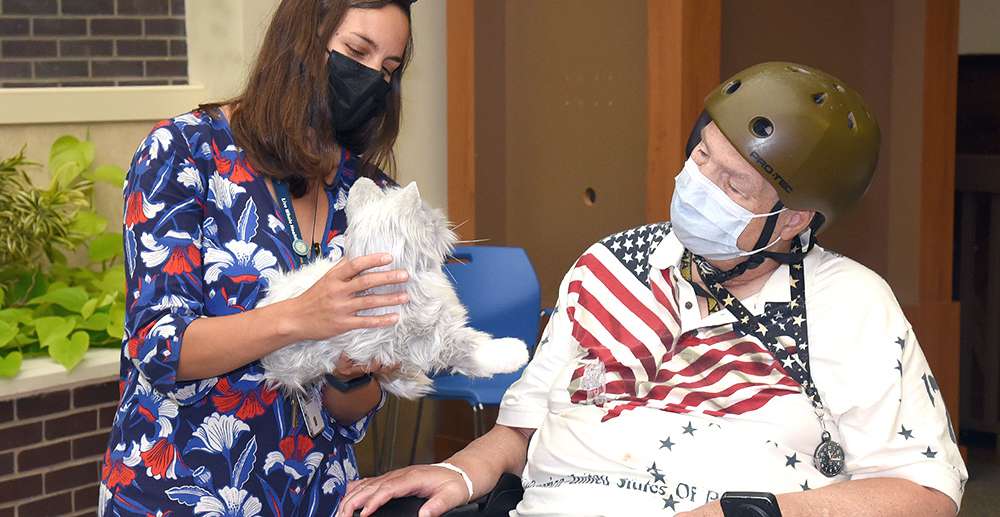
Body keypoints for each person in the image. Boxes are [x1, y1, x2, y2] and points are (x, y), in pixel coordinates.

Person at [336, 62, 969, 517]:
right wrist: (457, 470)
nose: (699, 185)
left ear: (796, 220)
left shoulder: (852, 302)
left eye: (736, 186)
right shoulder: (611, 262)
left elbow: (924, 492)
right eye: (702, 157)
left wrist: (752, 513)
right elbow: (519, 432)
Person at [99, 0, 421, 515]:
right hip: (177, 490)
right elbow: (159, 348)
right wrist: (301, 316)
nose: (372, 80)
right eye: (357, 51)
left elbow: (355, 413)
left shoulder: (370, 195)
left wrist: (355, 371)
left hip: (317, 496)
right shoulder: (184, 153)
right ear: (301, 37)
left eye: (388, 69)